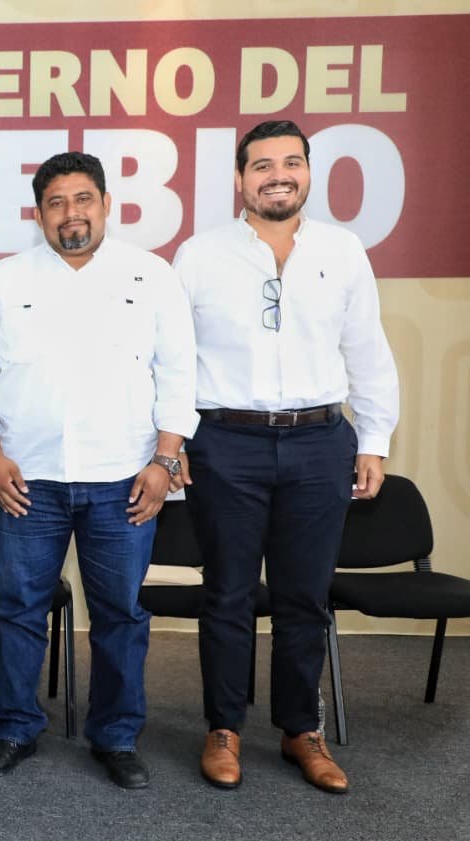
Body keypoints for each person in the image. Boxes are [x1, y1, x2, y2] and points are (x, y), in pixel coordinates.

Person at [174, 120, 400, 793]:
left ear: (308, 171)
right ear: (240, 178)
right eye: (263, 165)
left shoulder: (342, 250)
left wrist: (375, 438)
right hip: (226, 442)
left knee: (305, 596)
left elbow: (367, 349)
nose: (278, 176)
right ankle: (224, 728)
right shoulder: (199, 255)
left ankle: (302, 728)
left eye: (291, 163)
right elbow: (173, 359)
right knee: (228, 594)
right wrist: (171, 441)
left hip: (319, 442)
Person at [0, 151, 197, 789]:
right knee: (18, 608)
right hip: (26, 480)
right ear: (39, 214)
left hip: (125, 478)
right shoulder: (6, 279)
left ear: (106, 204)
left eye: (83, 199)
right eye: (57, 203)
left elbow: (179, 374)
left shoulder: (151, 276)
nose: (72, 213)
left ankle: (116, 736)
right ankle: (13, 729)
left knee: (120, 613)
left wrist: (165, 459)